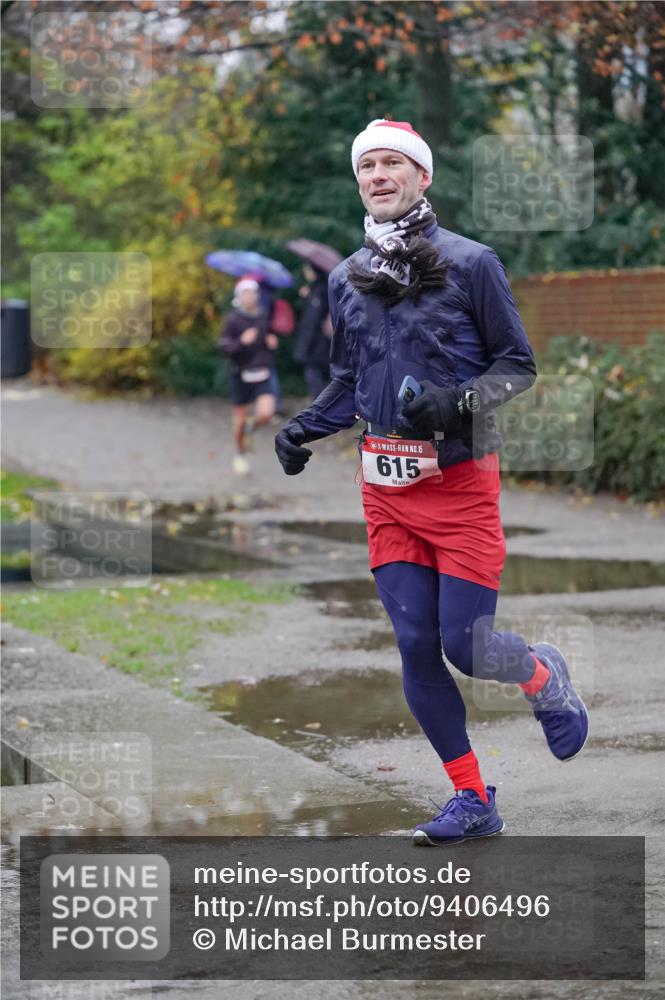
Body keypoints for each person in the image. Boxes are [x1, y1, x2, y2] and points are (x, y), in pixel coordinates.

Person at [275, 119, 589, 845]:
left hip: (458, 482)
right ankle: (472, 799)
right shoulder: (346, 278)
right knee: (415, 644)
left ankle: (541, 675)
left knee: (466, 646)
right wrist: (304, 428)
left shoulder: (472, 262)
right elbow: (348, 380)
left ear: (421, 176)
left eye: (392, 164)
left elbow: (516, 364)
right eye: (366, 167)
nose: (378, 176)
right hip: (384, 489)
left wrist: (458, 403)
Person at [219, 275, 278, 476]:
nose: (250, 296)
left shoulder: (263, 316)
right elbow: (224, 346)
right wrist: (241, 342)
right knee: (240, 419)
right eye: (246, 293)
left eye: (253, 292)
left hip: (262, 371)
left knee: (267, 412)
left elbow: (266, 339)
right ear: (238, 296)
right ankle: (240, 453)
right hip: (240, 374)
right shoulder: (233, 319)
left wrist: (270, 342)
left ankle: (251, 429)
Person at [293, 263, 332, 399]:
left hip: (317, 340)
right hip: (319, 340)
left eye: (307, 269)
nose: (305, 272)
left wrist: (305, 345)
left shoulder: (319, 291)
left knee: (313, 374)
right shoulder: (316, 289)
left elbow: (312, 320)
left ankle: (323, 405)